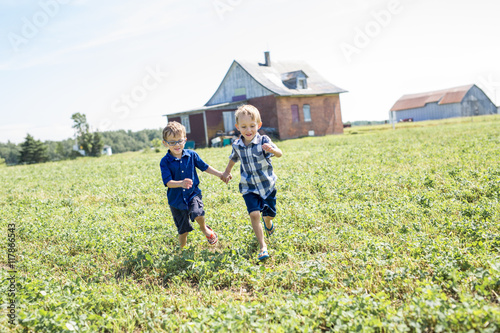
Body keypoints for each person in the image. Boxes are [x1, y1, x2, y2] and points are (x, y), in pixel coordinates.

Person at [221, 105, 283, 261]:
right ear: (237, 127)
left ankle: (268, 223)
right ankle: (263, 246)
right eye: (244, 127)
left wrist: (273, 150)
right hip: (249, 187)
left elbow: (280, 153)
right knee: (254, 214)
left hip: (267, 186)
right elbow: (233, 158)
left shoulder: (264, 140)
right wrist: (227, 172)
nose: (248, 130)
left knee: (269, 215)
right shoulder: (237, 145)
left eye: (252, 126)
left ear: (258, 125)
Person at [160, 121, 227, 249]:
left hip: (192, 194)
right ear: (165, 143)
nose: (177, 145)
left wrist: (220, 174)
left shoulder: (192, 155)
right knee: (183, 230)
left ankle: (204, 229)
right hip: (176, 201)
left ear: (185, 140)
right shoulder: (165, 162)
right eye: (172, 142)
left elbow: (205, 167)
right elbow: (168, 182)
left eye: (179, 141)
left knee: (198, 213)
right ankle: (182, 249)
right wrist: (181, 183)